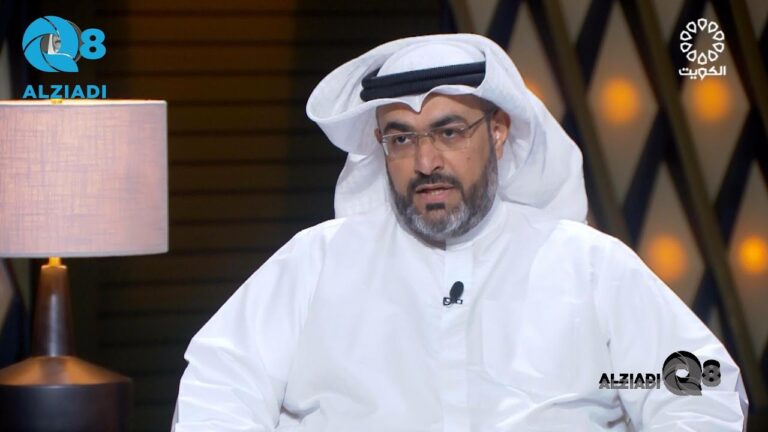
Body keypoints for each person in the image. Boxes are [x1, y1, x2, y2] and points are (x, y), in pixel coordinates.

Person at [171, 33, 748, 431]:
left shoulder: (585, 266)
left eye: (449, 132)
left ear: (498, 131)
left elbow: (697, 385)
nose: (425, 162)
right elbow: (220, 388)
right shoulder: (318, 262)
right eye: (401, 138)